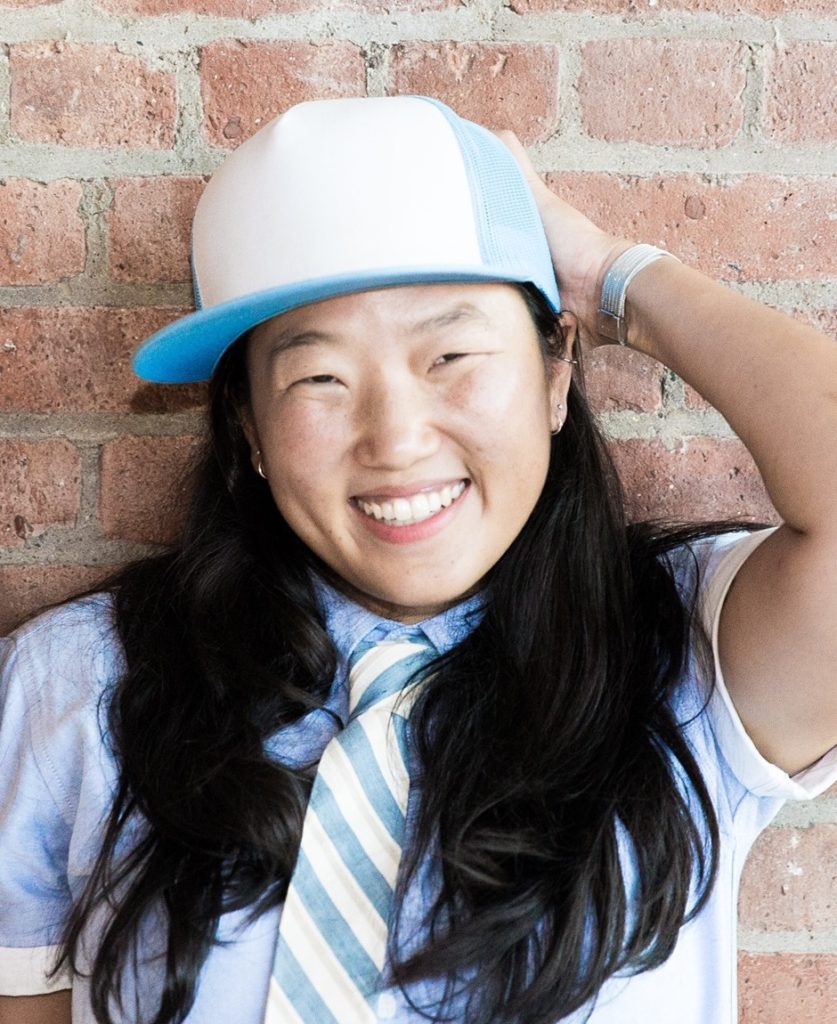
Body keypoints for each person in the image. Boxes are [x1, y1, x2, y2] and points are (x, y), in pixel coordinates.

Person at [0, 94, 835, 1024]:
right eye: (320, 376)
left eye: (451, 355)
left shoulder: (687, 665)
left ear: (556, 371)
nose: (394, 441)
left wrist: (610, 276)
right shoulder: (76, 687)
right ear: (248, 425)